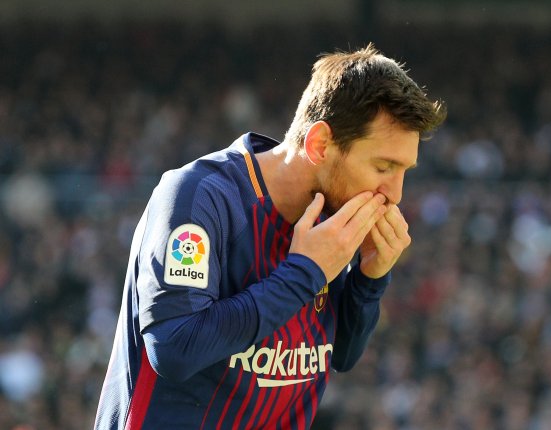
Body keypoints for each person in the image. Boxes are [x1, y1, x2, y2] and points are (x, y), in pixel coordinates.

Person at [94, 43, 446, 430]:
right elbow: (175, 347)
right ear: (320, 145)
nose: (395, 193)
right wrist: (303, 274)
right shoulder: (201, 197)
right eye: (384, 166)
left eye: (404, 171)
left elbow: (341, 354)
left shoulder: (331, 213)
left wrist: (369, 280)